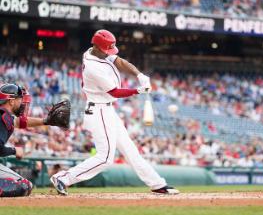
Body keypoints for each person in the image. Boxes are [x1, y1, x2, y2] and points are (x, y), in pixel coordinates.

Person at [51, 29, 179, 195]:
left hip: (106, 110)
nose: (110, 53)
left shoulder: (95, 52)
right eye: (107, 50)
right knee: (105, 158)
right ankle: (63, 178)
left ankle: (157, 184)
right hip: (99, 111)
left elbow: (119, 61)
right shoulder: (93, 67)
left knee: (131, 151)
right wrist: (138, 91)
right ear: (97, 47)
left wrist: (139, 74)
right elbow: (115, 92)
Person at [0, 83, 70, 197]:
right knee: (23, 185)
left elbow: (19, 122)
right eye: (19, 99)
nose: (22, 103)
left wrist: (45, 121)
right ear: (11, 101)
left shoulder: (4, 116)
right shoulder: (3, 117)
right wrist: (14, 150)